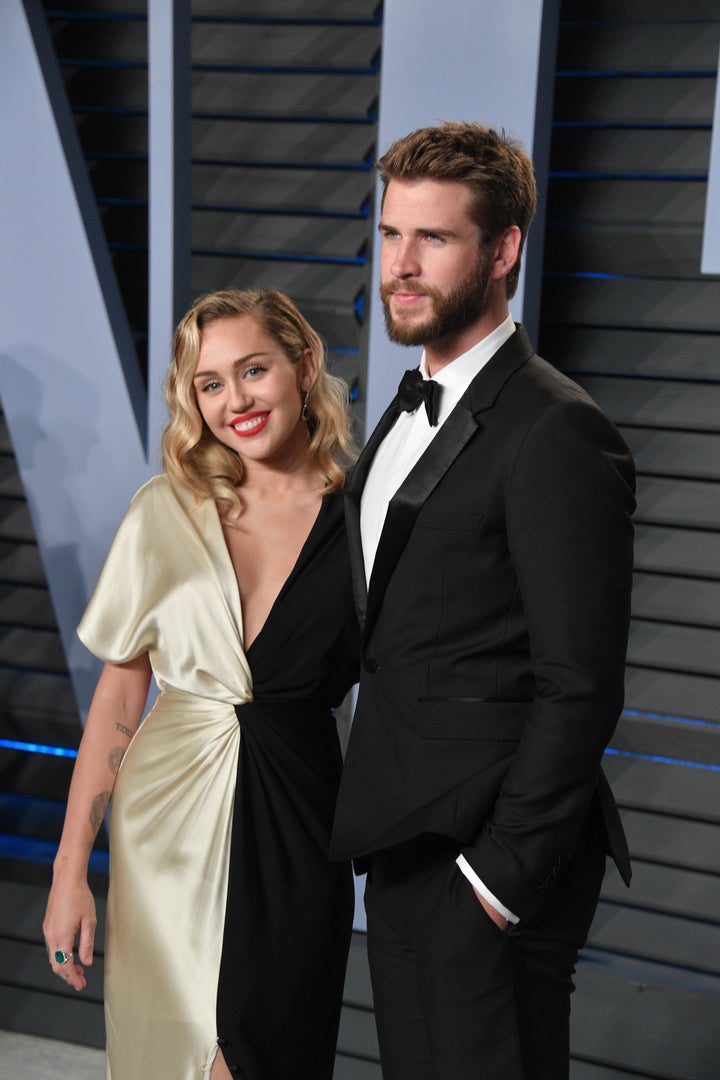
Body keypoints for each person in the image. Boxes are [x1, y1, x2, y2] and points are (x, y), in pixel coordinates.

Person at [330, 121, 636, 1079]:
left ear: (502, 250)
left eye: (434, 239)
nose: (401, 266)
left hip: (485, 859)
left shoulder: (556, 430)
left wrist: (496, 881)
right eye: (391, 235)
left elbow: (579, 685)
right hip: (405, 838)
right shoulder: (409, 404)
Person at [43, 288, 359, 1080]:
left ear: (304, 365)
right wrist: (70, 872)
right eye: (209, 384)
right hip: (164, 833)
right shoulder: (163, 510)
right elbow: (118, 699)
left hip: (300, 822)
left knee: (272, 1053)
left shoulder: (364, 522)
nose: (235, 400)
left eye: (253, 369)